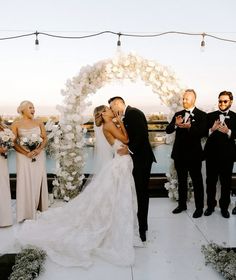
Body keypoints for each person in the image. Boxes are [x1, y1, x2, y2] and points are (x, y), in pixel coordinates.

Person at [15, 105, 142, 268]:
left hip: (120, 161)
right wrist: (119, 122)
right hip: (120, 162)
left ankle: (116, 224)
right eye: (109, 109)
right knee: (118, 195)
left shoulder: (107, 125)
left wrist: (118, 122)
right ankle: (113, 227)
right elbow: (126, 140)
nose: (112, 111)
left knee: (116, 195)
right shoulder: (110, 124)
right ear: (103, 114)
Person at [108, 97, 156, 242]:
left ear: (118, 103)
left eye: (111, 107)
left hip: (142, 159)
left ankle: (142, 228)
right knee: (137, 192)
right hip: (137, 159)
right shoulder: (127, 115)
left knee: (141, 193)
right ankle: (140, 224)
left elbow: (142, 135)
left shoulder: (133, 113)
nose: (111, 110)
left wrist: (128, 150)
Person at [166, 89, 207, 218]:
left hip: (194, 155)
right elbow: (168, 130)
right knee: (181, 181)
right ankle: (182, 205)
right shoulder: (178, 114)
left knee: (197, 181)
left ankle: (199, 208)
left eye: (186, 99)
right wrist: (175, 125)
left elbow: (203, 132)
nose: (184, 101)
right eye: (183, 99)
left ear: (193, 100)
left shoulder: (202, 115)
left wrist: (190, 127)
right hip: (179, 154)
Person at [11, 101, 48, 222]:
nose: (33, 110)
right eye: (30, 107)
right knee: (25, 180)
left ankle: (37, 206)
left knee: (37, 180)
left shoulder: (39, 122)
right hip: (23, 156)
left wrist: (38, 150)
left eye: (34, 107)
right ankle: (26, 211)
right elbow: (13, 142)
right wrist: (26, 152)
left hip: (39, 155)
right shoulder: (16, 124)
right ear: (23, 110)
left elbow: (44, 138)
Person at [204, 91, 236, 218]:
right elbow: (202, 132)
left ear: (231, 102)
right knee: (210, 182)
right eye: (220, 101)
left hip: (227, 156)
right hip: (211, 155)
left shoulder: (235, 117)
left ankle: (224, 208)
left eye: (225, 101)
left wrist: (228, 132)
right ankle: (210, 206)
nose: (221, 103)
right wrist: (211, 129)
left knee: (226, 183)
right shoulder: (209, 116)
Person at [0, 121, 13, 227]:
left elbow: (10, 141)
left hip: (2, 160)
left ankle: (4, 219)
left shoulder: (4, 127)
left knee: (3, 185)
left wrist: (6, 147)